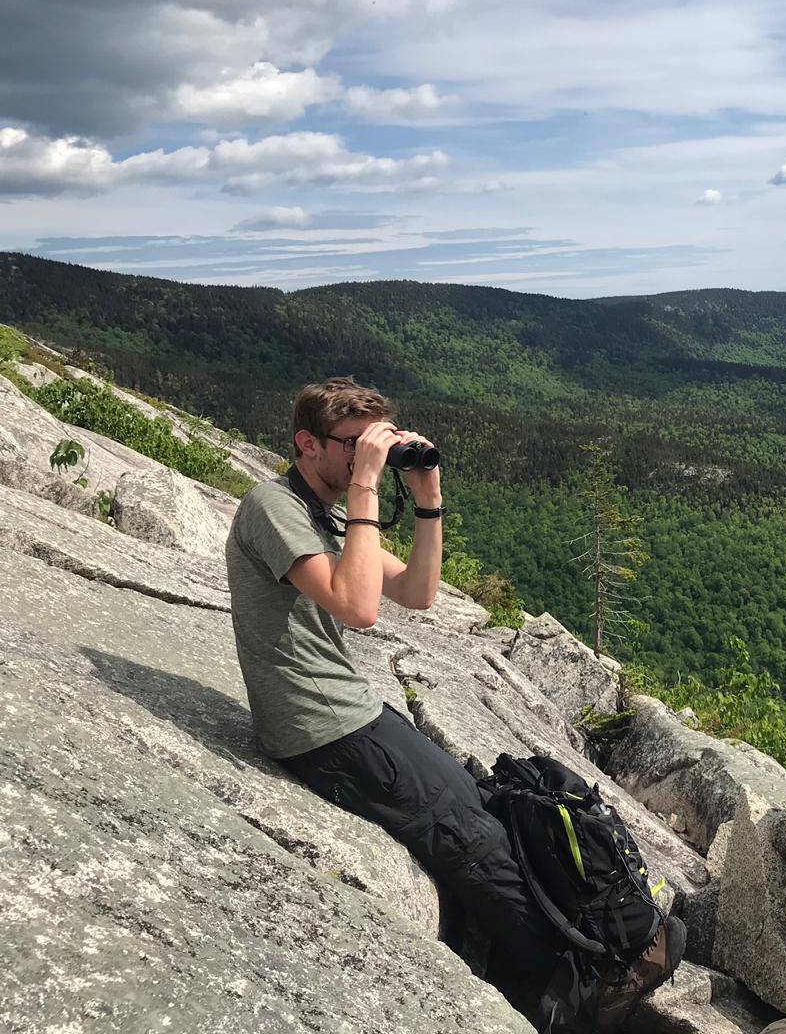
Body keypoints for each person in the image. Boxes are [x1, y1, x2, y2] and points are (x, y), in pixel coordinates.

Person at [223, 377, 583, 1016]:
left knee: (484, 802)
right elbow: (360, 608)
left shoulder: (324, 511)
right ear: (308, 444)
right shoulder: (271, 506)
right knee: (469, 834)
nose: (372, 456)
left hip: (346, 712)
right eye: (356, 445)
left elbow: (417, 592)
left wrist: (428, 498)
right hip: (320, 729)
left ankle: (524, 961)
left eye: (377, 443)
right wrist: (365, 486)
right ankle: (564, 991)